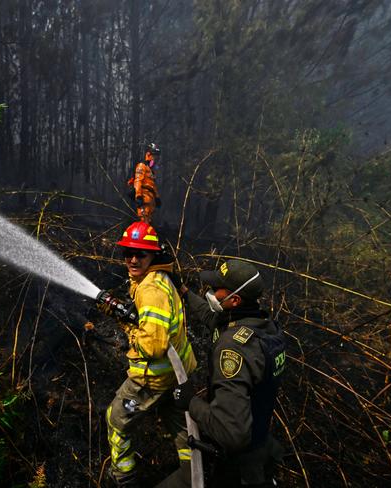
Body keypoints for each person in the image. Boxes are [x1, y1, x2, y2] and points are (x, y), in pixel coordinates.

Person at [168, 259, 286, 487]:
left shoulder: (233, 348)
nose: (209, 292)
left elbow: (232, 434)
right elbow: (211, 318)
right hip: (259, 444)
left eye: (215, 289)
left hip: (235, 467)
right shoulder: (262, 326)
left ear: (234, 299)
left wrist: (190, 402)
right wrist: (182, 290)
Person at [105, 221, 197, 487]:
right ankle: (193, 472)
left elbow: (154, 346)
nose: (133, 259)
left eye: (141, 254)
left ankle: (123, 477)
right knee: (183, 429)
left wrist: (127, 327)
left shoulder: (150, 289)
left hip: (153, 378)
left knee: (116, 420)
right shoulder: (159, 278)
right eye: (127, 253)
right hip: (177, 376)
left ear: (153, 255)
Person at [127, 142, 161, 223]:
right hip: (144, 198)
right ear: (149, 155)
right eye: (154, 155)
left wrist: (157, 198)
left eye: (157, 156)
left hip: (151, 201)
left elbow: (152, 186)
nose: (156, 158)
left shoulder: (151, 171)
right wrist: (138, 196)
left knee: (148, 222)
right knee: (144, 220)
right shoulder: (141, 166)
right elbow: (138, 181)